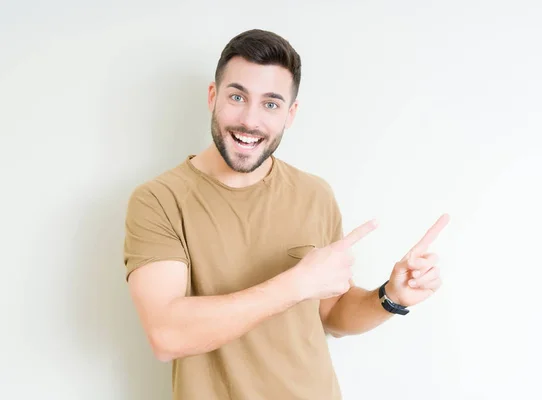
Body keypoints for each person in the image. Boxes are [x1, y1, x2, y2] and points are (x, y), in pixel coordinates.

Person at [123, 28, 450, 400]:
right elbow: (167, 334)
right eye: (237, 96)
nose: (250, 120)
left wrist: (391, 297)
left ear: (290, 114)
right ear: (213, 96)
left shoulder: (315, 194)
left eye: (271, 104)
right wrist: (296, 285)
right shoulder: (159, 200)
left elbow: (332, 314)